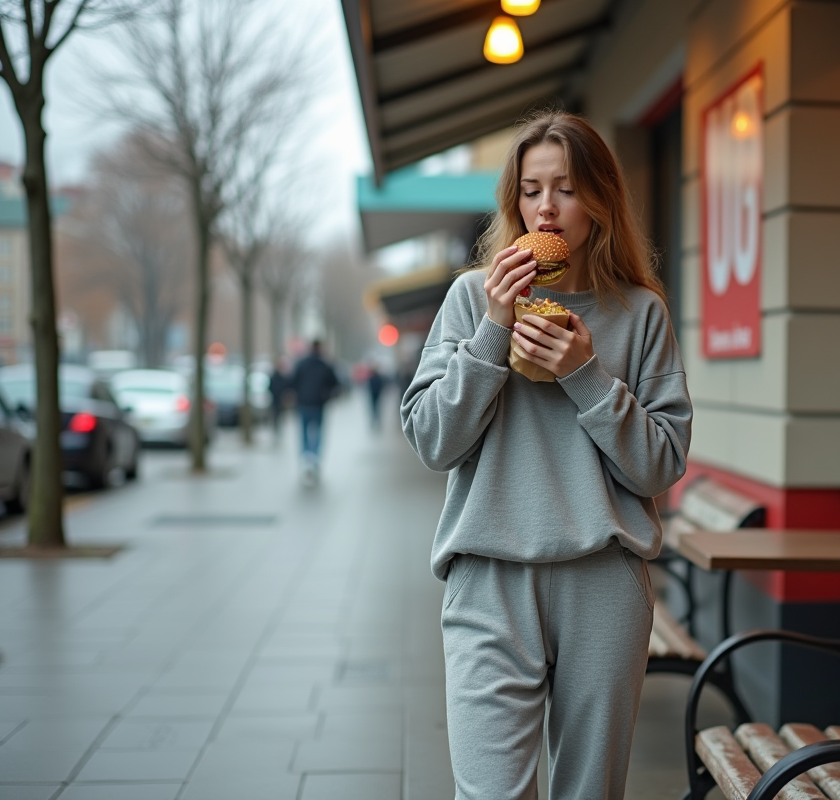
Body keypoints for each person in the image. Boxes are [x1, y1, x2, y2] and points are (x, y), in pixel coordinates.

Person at [400, 111, 691, 800]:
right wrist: (493, 335)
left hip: (605, 582)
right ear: (514, 201)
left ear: (600, 199)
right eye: (531, 190)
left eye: (565, 188)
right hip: (490, 577)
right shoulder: (474, 298)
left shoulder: (640, 312)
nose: (547, 207)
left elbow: (660, 465)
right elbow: (433, 441)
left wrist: (586, 375)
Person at [291, 340, 341, 479]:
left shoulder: (301, 364)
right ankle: (315, 458)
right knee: (317, 432)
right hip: (319, 405)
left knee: (304, 432)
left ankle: (306, 457)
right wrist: (327, 396)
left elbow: (293, 382)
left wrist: (298, 394)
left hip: (303, 404)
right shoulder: (325, 365)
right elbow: (335, 384)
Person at [267, 357, 290, 436]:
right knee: (276, 416)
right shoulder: (275, 376)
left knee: (280, 416)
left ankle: (279, 431)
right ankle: (277, 431)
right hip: (276, 399)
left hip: (281, 400)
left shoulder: (282, 376)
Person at [366, 362, 386, 429]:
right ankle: (374, 421)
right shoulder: (373, 377)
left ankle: (376, 421)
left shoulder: (376, 377)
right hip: (373, 394)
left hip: (375, 394)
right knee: (374, 408)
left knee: (375, 408)